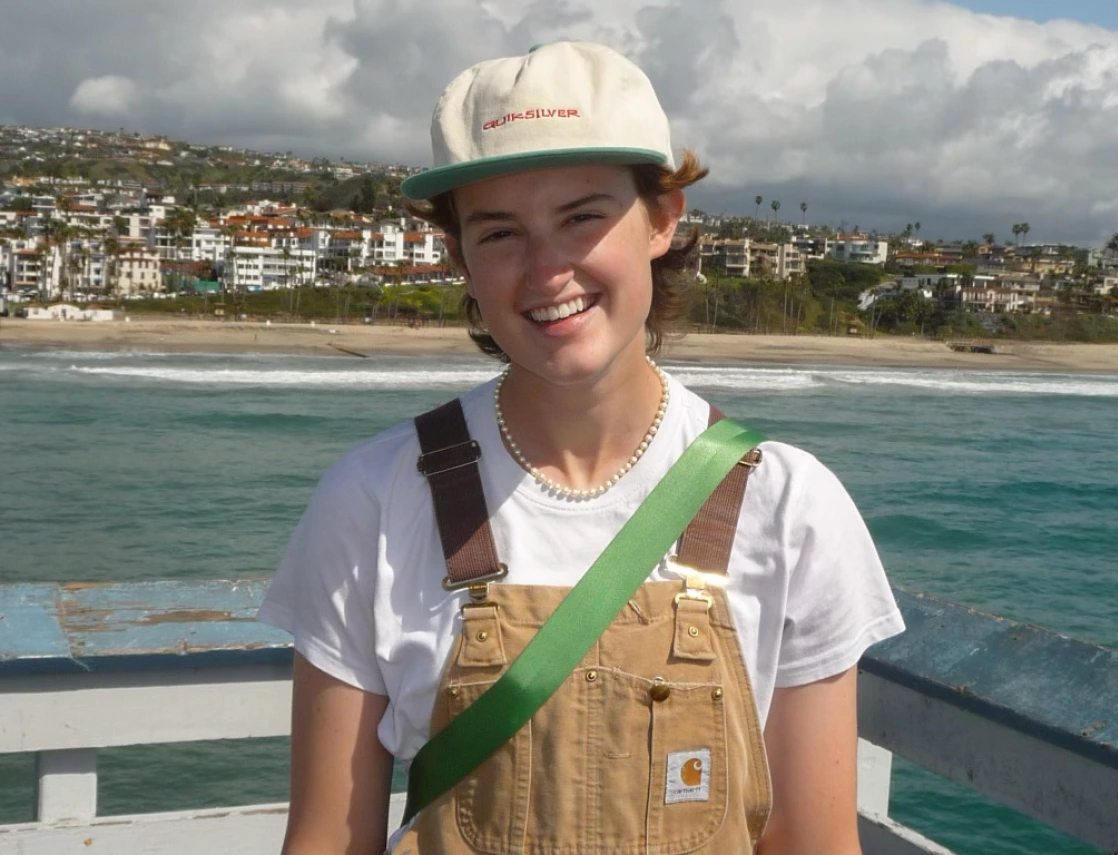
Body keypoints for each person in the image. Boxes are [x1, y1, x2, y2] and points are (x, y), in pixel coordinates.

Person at [259, 40, 904, 855]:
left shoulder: (789, 503)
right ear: (458, 256)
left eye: (583, 217)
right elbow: (326, 838)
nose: (548, 268)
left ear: (662, 220)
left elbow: (811, 842)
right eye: (500, 234)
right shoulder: (373, 497)